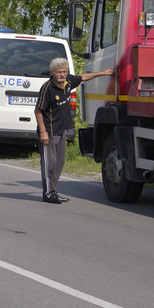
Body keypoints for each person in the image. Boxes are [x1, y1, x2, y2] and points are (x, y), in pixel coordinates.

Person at [34, 58, 114, 204]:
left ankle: (53, 191)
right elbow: (38, 110)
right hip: (49, 132)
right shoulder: (48, 88)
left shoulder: (68, 82)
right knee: (49, 164)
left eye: (64, 72)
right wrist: (43, 132)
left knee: (60, 162)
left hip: (61, 130)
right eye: (59, 72)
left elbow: (83, 77)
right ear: (52, 73)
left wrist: (102, 73)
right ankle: (48, 193)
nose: (62, 74)